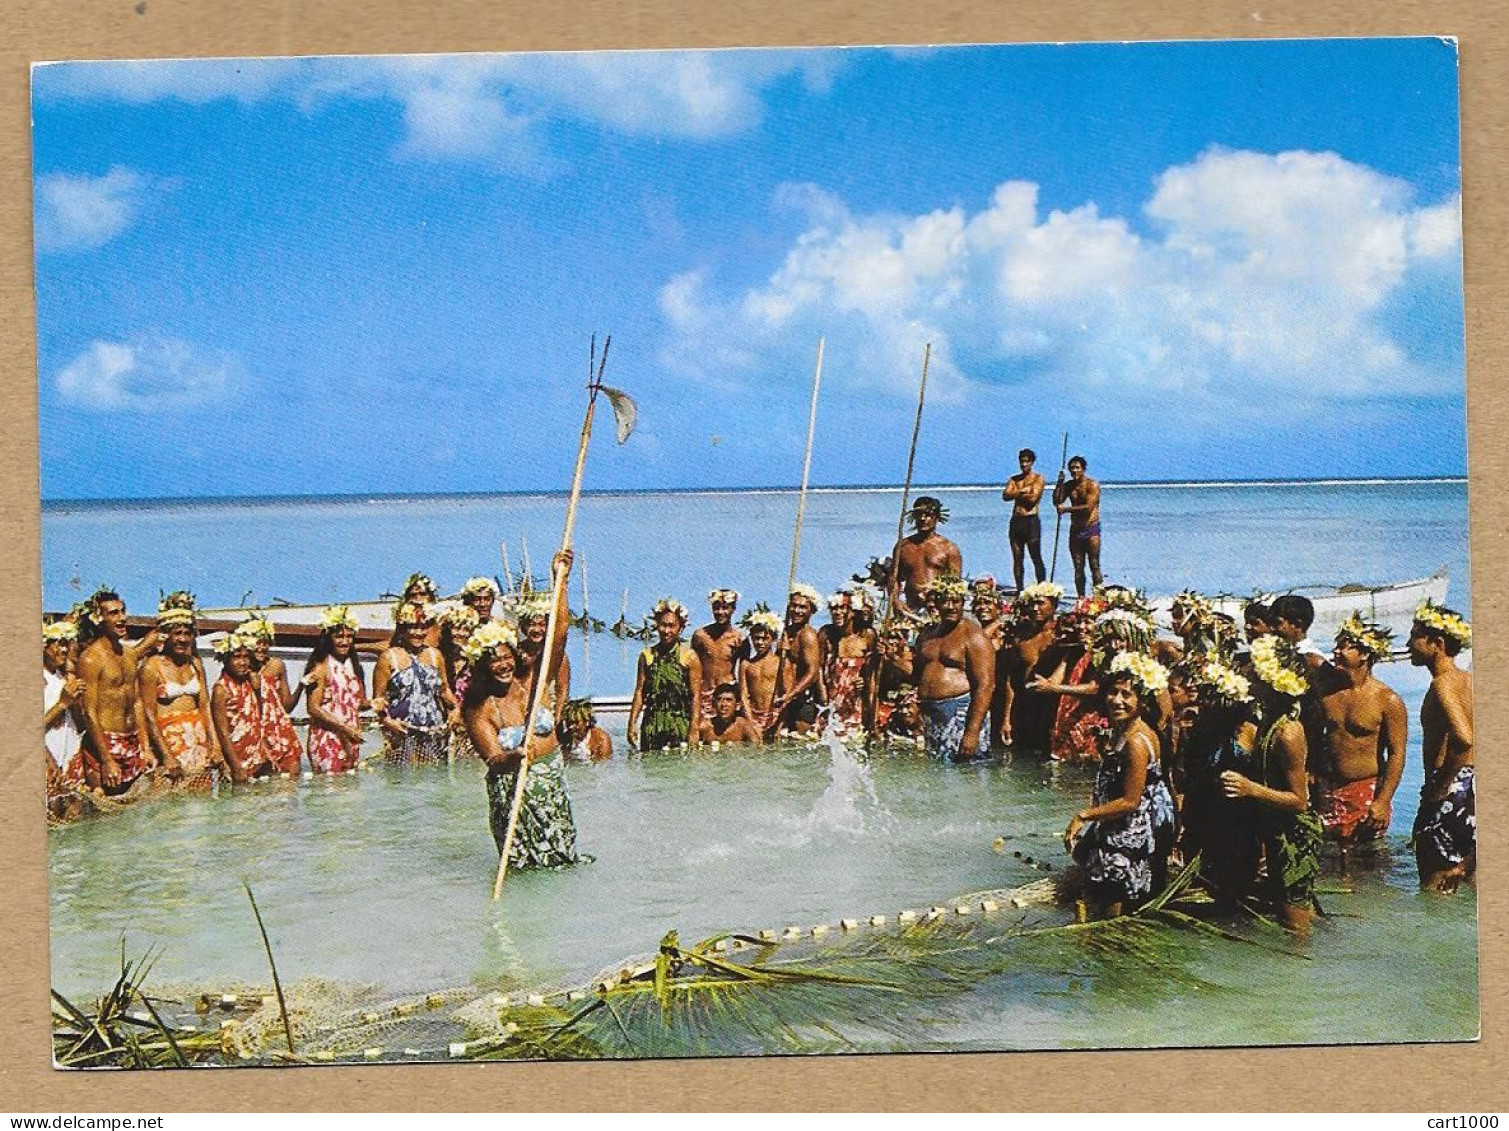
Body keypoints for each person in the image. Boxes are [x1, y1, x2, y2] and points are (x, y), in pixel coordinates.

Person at [1218, 635, 1324, 933]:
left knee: (1294, 923)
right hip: (1276, 830)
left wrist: (1250, 789)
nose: (1248, 674)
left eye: (1255, 669)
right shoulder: (1269, 721)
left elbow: (1299, 800)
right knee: (1291, 909)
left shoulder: (1288, 733)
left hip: (1294, 836)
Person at [1062, 652, 1177, 919]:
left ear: (1142, 700)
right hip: (1122, 830)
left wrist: (1083, 816)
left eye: (1127, 695)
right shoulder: (1125, 731)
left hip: (1128, 837)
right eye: (1113, 692)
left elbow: (1130, 801)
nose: (1117, 700)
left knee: (1114, 915)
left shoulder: (1136, 742)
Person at [462, 620, 579, 869]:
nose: (503, 665)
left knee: (563, 862)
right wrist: (513, 757)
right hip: (514, 793)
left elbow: (558, 639)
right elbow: (493, 759)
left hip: (551, 787)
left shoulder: (532, 684)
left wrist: (564, 582)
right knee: (526, 867)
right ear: (482, 666)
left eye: (507, 657)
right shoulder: (478, 708)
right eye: (494, 661)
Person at [1313, 613, 1407, 848]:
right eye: (1336, 646)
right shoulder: (1327, 692)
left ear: (1364, 654)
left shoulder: (1388, 700)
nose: (1335, 652)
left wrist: (1384, 801)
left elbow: (1397, 753)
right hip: (1326, 786)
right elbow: (1313, 735)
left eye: (1343, 648)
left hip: (1365, 788)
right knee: (1327, 856)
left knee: (1366, 859)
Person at [1408, 601, 1474, 893]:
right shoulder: (1470, 681)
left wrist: (1440, 786)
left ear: (1437, 643)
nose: (1409, 644)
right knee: (1464, 883)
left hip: (1452, 787)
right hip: (1474, 788)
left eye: (1414, 637)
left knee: (1435, 891)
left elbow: (1463, 738)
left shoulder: (1443, 684)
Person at [75, 587, 158, 795]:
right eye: (113, 613)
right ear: (99, 619)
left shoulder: (129, 655)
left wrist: (145, 747)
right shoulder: (91, 659)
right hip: (105, 743)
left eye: (122, 611)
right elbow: (89, 712)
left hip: (131, 740)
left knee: (135, 812)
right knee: (105, 814)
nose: (122, 618)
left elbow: (137, 702)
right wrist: (106, 759)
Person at [138, 595, 226, 787]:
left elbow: (205, 706)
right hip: (170, 741)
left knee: (202, 798)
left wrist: (215, 746)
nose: (182, 639)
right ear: (166, 635)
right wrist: (166, 755)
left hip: (198, 738)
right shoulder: (151, 667)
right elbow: (148, 715)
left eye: (187, 633)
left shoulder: (195, 664)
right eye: (177, 633)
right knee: (173, 801)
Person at [913, 573, 995, 762]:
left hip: (961, 712)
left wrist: (972, 733)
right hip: (932, 714)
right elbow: (916, 674)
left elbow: (986, 686)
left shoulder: (974, 637)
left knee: (968, 773)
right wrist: (892, 658)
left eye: (955, 601)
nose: (950, 606)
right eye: (944, 601)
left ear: (963, 602)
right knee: (938, 774)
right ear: (936, 602)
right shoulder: (928, 635)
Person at [373, 602, 452, 765]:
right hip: (401, 731)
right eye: (413, 627)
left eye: (423, 627)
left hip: (433, 731)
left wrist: (456, 710)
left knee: (433, 781)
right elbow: (378, 701)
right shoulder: (388, 657)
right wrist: (388, 722)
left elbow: (445, 691)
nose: (419, 633)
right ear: (402, 629)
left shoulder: (435, 655)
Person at [629, 598, 701, 750]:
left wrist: (694, 729)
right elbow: (640, 691)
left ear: (680, 628)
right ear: (657, 626)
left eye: (671, 626)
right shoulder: (647, 656)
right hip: (652, 723)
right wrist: (632, 723)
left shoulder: (689, 657)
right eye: (663, 625)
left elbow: (696, 696)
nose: (666, 631)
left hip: (680, 722)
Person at [305, 605, 369, 773]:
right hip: (328, 737)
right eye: (339, 636)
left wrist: (375, 703)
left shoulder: (354, 667)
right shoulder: (321, 668)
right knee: (330, 793)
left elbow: (359, 704)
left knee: (349, 794)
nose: (345, 641)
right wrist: (344, 729)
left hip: (351, 737)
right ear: (328, 638)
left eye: (349, 636)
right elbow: (313, 708)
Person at [240, 613, 305, 775]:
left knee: (291, 777)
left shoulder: (276, 665)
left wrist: (302, 685)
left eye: (265, 643)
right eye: (257, 643)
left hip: (279, 729)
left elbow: (287, 706)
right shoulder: (240, 669)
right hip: (253, 732)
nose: (261, 648)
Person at [1004, 582, 1062, 755]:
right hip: (1024, 708)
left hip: (1051, 709)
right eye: (1032, 604)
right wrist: (1006, 719)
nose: (1035, 608)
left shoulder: (1061, 637)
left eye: (1041, 603)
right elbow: (1010, 682)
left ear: (1054, 605)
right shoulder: (1022, 639)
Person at [888, 497, 962, 619]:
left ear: (936, 518)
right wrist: (896, 601)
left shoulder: (948, 548)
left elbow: (956, 582)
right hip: (910, 608)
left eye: (927, 515)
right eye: (918, 515)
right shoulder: (903, 546)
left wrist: (933, 589)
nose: (922, 519)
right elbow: (893, 578)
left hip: (939, 610)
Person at [44, 619, 92, 807]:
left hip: (70, 754)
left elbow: (79, 725)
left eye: (66, 644)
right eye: (58, 644)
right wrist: (63, 703)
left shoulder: (61, 677)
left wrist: (75, 703)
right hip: (49, 758)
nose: (64, 650)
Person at [211, 632, 270, 782]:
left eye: (246, 657)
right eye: (237, 657)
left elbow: (258, 717)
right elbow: (222, 732)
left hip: (256, 756)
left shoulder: (249, 682)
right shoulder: (221, 689)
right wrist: (236, 767)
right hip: (236, 759)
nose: (243, 662)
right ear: (226, 660)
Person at [820, 589, 877, 733]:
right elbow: (818, 669)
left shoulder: (866, 635)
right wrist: (824, 699)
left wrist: (864, 681)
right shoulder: (825, 635)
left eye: (842, 608)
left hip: (854, 701)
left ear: (852, 612)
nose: (837, 612)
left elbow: (873, 672)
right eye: (834, 609)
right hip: (830, 701)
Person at [772, 584, 824, 735]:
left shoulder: (807, 635)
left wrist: (791, 695)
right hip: (785, 699)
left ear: (811, 611)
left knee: (800, 742)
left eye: (803, 607)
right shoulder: (786, 633)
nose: (797, 611)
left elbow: (813, 672)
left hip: (802, 700)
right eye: (794, 606)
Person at [691, 589, 745, 722]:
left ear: (733, 609)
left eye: (725, 608)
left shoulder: (738, 638)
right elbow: (693, 667)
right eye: (716, 608)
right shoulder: (701, 636)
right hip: (705, 693)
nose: (721, 612)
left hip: (728, 694)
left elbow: (744, 670)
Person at [1052, 456, 1103, 596]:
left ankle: (1099, 598)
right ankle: (1081, 598)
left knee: (1094, 565)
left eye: (1077, 468)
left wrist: (1067, 510)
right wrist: (1059, 483)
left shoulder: (1092, 484)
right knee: (1078, 567)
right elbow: (1057, 500)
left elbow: (1088, 507)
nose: (1074, 471)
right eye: (1072, 468)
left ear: (1083, 469)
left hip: (1091, 529)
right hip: (1075, 530)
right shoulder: (1069, 486)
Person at [971, 579, 1012, 750]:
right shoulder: (971, 632)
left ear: (998, 607)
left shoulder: (1007, 635)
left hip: (1000, 698)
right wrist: (996, 623)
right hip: (978, 697)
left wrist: (1007, 718)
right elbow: (978, 642)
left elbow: (1010, 681)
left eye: (987, 602)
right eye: (978, 603)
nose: (983, 607)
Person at [1002, 448, 1048, 590]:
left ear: (1032, 462)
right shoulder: (1014, 479)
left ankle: (1042, 588)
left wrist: (1015, 494)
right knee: (1017, 558)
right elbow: (1005, 496)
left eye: (1026, 462)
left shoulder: (1038, 478)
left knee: (1036, 556)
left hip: (1031, 520)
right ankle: (1019, 589)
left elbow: (1033, 499)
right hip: (1016, 521)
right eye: (1022, 462)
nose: (1024, 465)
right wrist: (1022, 491)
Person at [738, 609, 783, 736]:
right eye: (756, 638)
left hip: (774, 715)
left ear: (773, 638)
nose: (760, 642)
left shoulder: (780, 663)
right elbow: (743, 696)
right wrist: (751, 723)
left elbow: (785, 695)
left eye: (764, 638)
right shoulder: (746, 665)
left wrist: (779, 724)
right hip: (753, 715)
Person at [873, 620, 915, 733]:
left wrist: (893, 656)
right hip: (884, 705)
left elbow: (913, 673)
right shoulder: (877, 658)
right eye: (889, 638)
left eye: (896, 637)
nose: (892, 641)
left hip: (906, 706)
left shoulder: (910, 655)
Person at [698, 683, 764, 745]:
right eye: (719, 699)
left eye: (729, 700)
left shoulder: (742, 726)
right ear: (713, 704)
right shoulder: (705, 726)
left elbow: (757, 748)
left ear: (738, 705)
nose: (723, 704)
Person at [559, 697, 613, 762]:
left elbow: (604, 767)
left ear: (587, 721)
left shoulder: (601, 740)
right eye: (568, 721)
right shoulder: (566, 738)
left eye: (575, 722)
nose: (570, 726)